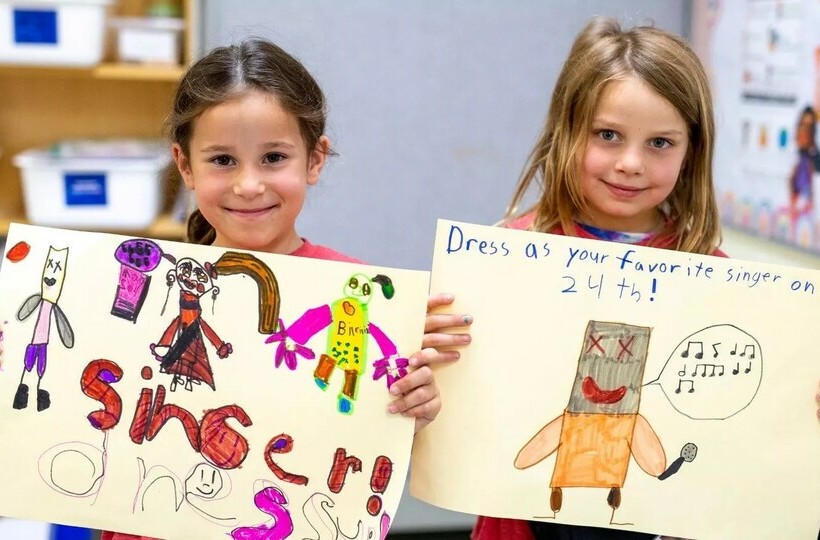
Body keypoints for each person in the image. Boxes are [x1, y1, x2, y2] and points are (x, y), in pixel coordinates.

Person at [41, 37, 465, 540]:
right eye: (222, 160)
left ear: (315, 159)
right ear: (184, 165)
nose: (248, 184)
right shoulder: (134, 291)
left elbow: (363, 442)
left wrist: (407, 414)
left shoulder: (356, 295)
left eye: (273, 158)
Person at [470, 17, 820, 540]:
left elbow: (740, 419)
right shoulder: (510, 255)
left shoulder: (715, 278)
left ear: (691, 151)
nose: (631, 163)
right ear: (568, 130)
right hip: (527, 518)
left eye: (660, 143)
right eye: (608, 135)